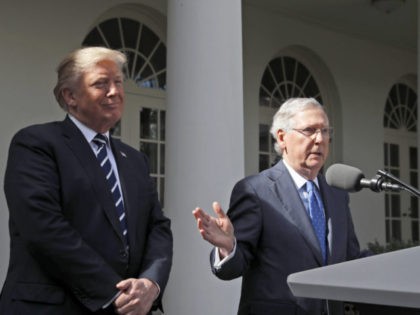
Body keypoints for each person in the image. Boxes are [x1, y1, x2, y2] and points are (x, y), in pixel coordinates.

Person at [0, 47, 173, 315]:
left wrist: (151, 283)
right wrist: (114, 291)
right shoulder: (37, 145)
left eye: (118, 82)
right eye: (101, 84)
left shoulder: (134, 160)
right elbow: (43, 228)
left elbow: (158, 228)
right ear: (70, 96)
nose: (114, 92)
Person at [193, 98, 368, 315]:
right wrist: (228, 248)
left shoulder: (337, 193)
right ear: (282, 137)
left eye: (325, 131)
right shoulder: (256, 191)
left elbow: (350, 259)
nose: (320, 139)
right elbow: (235, 266)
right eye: (309, 130)